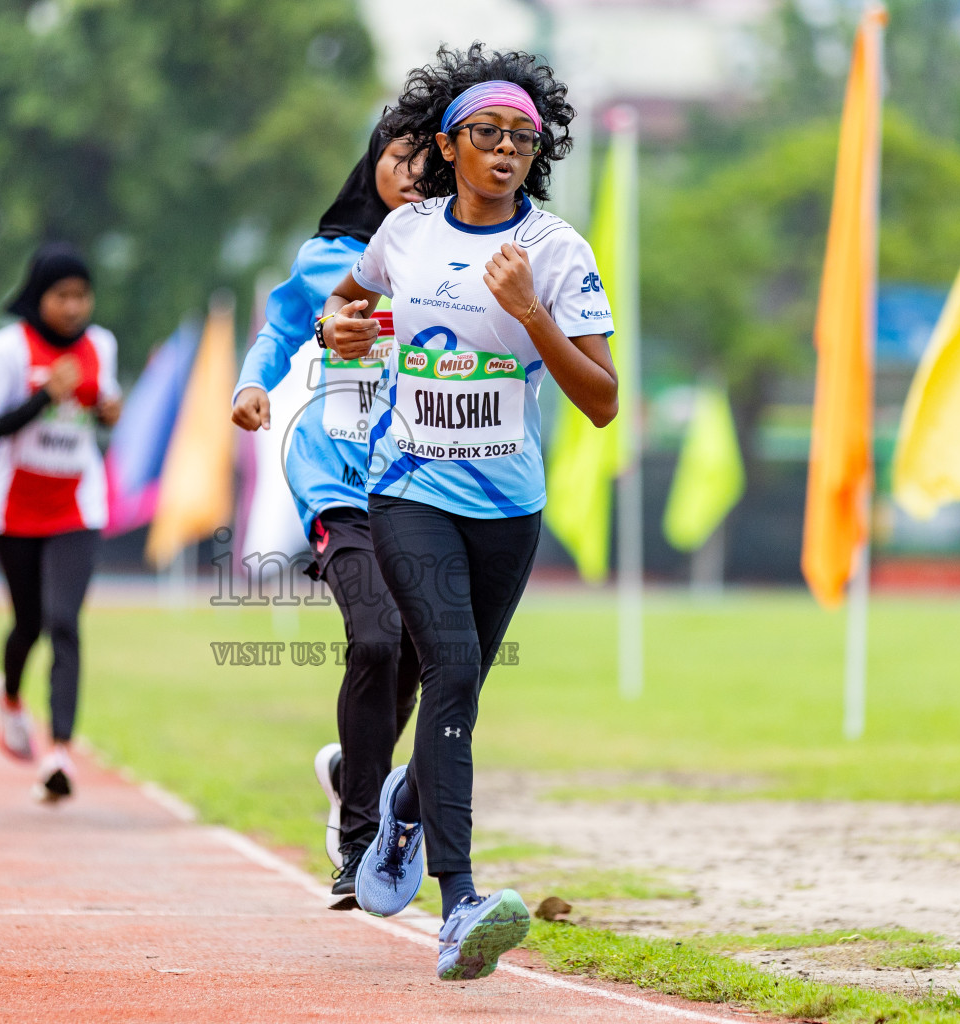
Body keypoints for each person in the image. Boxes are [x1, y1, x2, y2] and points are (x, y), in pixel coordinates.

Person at [317, 46, 617, 980]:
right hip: (409, 490)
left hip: (508, 508)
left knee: (462, 688)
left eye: (524, 139)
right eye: (486, 134)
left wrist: (532, 316)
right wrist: (342, 327)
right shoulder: (405, 234)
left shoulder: (559, 252)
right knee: (447, 667)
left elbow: (603, 399)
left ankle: (408, 805)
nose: (506, 151)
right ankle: (461, 904)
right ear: (448, 145)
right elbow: (346, 304)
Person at [231, 121, 424, 909]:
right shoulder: (326, 257)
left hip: (425, 480)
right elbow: (282, 326)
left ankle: (352, 768)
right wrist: (255, 384)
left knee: (416, 654)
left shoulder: (456, 254)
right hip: (336, 476)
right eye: (396, 154)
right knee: (374, 637)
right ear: (370, 163)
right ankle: (356, 839)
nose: (411, 170)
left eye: (426, 157)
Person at [0, 242, 122, 803]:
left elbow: (101, 409)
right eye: (63, 296)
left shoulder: (101, 345)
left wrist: (108, 412)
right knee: (27, 623)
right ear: (40, 297)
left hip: (78, 504)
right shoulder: (4, 352)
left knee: (64, 621)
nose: (75, 307)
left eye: (83, 295)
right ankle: (8, 699)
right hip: (15, 509)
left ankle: (58, 753)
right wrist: (40, 396)